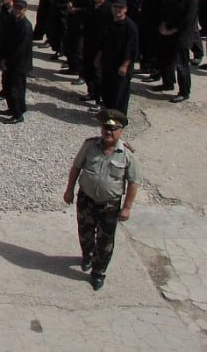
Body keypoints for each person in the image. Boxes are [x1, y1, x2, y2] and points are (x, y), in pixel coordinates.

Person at [64, 109, 140, 291]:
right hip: (86, 198)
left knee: (105, 241)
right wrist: (69, 190)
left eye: (113, 129)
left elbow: (133, 182)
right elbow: (76, 167)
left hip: (109, 203)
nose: (108, 132)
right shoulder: (89, 146)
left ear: (121, 131)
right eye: (106, 128)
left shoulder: (127, 154)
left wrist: (127, 208)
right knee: (85, 231)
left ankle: (98, 273)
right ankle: (87, 255)